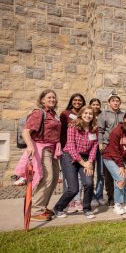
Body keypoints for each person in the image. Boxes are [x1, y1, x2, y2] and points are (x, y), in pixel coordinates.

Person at [16, 89, 62, 222]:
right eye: (49, 97)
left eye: (54, 97)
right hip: (42, 148)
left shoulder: (53, 114)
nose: (52, 99)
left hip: (53, 149)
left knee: (54, 179)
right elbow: (26, 132)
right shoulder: (38, 113)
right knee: (47, 178)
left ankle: (42, 206)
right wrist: (30, 146)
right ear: (42, 100)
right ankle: (36, 210)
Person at [53, 106, 98, 219]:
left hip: (86, 158)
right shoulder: (73, 126)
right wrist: (84, 163)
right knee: (73, 188)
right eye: (86, 113)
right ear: (81, 114)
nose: (88, 116)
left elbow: (94, 147)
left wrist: (90, 161)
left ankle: (87, 208)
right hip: (69, 157)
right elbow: (71, 148)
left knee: (89, 183)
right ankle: (58, 207)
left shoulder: (94, 129)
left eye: (90, 114)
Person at [102, 110, 126, 215]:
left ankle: (125, 203)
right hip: (110, 157)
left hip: (122, 159)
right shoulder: (117, 131)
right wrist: (120, 165)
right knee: (121, 178)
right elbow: (114, 149)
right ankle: (117, 204)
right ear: (125, 119)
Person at [98, 92, 124, 207]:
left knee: (119, 171)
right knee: (108, 173)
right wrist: (100, 143)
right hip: (107, 145)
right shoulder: (104, 114)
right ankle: (111, 196)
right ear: (109, 103)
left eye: (117, 100)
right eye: (113, 101)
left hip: (120, 146)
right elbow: (100, 131)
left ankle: (121, 196)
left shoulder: (123, 114)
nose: (115, 102)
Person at [89, 98, 107, 207]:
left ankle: (99, 195)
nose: (96, 106)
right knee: (90, 172)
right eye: (93, 104)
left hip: (100, 147)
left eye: (97, 104)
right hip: (90, 148)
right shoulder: (87, 114)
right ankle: (91, 196)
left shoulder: (103, 116)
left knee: (101, 173)